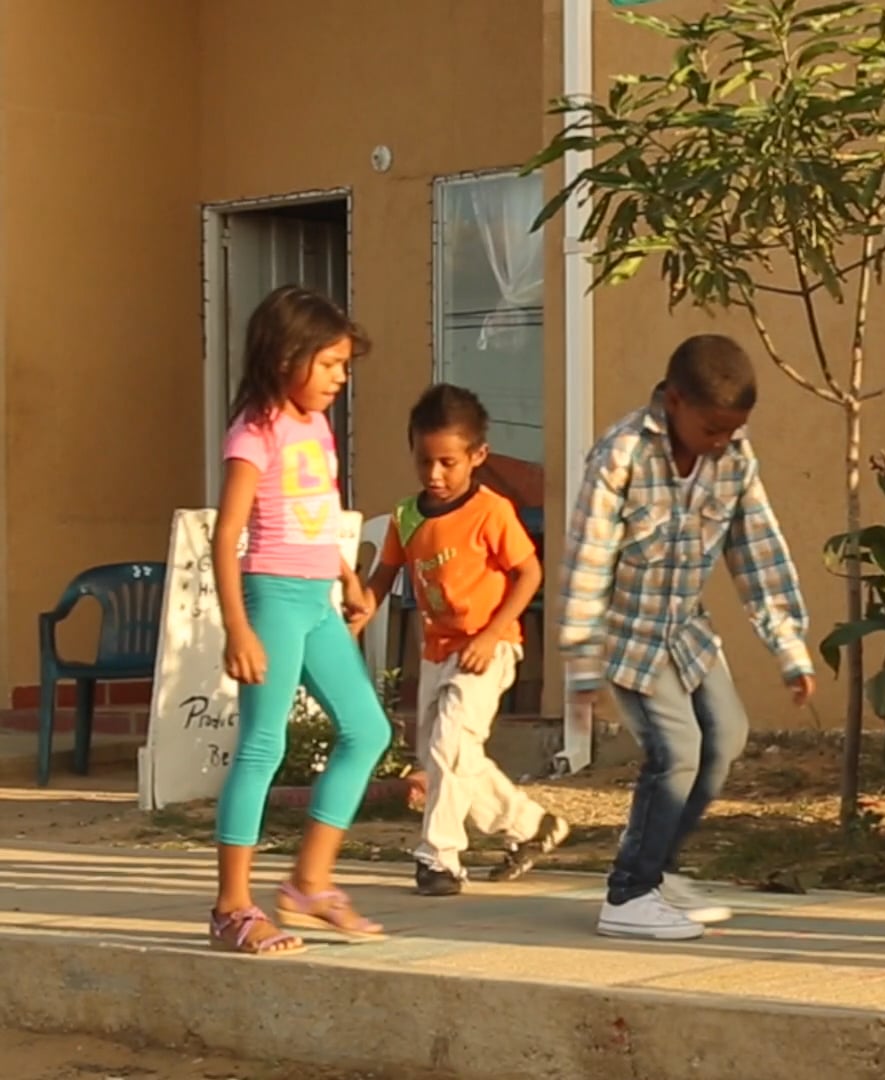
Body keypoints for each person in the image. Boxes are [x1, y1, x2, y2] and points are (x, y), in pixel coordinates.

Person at [558, 334, 814, 941]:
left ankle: (661, 871)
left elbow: (758, 552)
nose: (722, 440)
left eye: (733, 429)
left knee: (725, 736)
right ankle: (628, 893)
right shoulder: (622, 455)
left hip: (686, 631)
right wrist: (582, 663)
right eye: (712, 429)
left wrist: (789, 648)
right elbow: (588, 560)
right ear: (674, 401)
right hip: (629, 636)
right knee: (677, 750)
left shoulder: (735, 459)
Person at [207, 284, 391, 956]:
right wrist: (238, 628)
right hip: (272, 598)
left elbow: (313, 514)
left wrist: (347, 576)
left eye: (345, 365)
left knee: (368, 730)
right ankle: (231, 909)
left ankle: (310, 882)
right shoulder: (254, 431)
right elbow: (227, 535)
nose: (341, 377)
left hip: (317, 599)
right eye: (331, 364)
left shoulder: (314, 425)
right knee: (264, 744)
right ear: (287, 357)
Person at [363, 384, 569, 897]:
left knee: (450, 742)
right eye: (424, 461)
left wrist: (492, 634)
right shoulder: (407, 516)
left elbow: (529, 572)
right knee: (445, 757)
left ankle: (439, 858)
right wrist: (357, 612)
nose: (434, 474)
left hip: (488, 648)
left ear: (478, 456)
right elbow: (382, 579)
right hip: (438, 651)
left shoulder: (491, 511)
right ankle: (531, 826)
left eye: (447, 463)